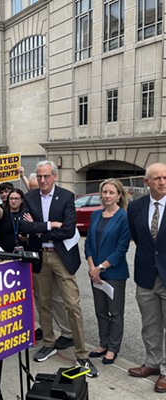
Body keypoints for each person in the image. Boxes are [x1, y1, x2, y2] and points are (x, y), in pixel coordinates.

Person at [19, 160, 98, 377]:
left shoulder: (65, 196)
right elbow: (23, 226)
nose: (42, 180)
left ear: (54, 176)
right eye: (39, 176)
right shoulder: (30, 197)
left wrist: (39, 229)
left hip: (61, 257)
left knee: (72, 305)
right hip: (40, 257)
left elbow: (68, 230)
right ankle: (49, 342)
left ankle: (82, 354)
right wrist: (50, 224)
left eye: (46, 176)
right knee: (43, 304)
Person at [127, 163, 166, 393]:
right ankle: (152, 363)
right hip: (146, 275)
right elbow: (137, 238)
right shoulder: (135, 207)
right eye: (157, 178)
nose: (162, 181)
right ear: (146, 182)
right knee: (150, 325)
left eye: (165, 177)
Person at [85, 179, 131, 365]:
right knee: (100, 311)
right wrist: (91, 268)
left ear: (119, 195)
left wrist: (100, 267)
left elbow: (121, 249)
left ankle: (113, 348)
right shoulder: (95, 215)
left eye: (112, 192)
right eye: (105, 192)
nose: (107, 196)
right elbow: (88, 243)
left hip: (114, 273)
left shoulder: (124, 217)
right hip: (95, 272)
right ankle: (103, 344)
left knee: (115, 312)